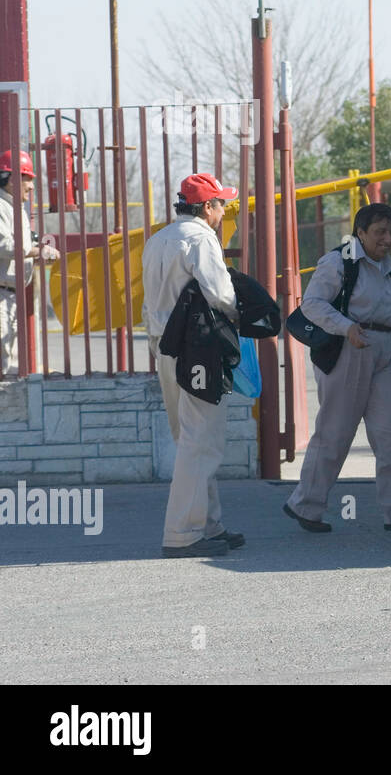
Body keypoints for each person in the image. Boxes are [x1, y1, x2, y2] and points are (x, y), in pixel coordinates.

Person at [283, 203, 391, 534]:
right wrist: (346, 327)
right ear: (360, 233)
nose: (387, 239)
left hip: (383, 352)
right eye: (379, 232)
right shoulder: (339, 261)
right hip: (348, 349)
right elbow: (313, 304)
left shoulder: (385, 265)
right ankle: (306, 505)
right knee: (335, 432)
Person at [141, 173, 242, 558]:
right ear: (205, 207)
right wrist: (239, 315)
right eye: (221, 204)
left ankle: (208, 524)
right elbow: (221, 294)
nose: (223, 211)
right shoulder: (201, 239)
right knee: (203, 442)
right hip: (196, 348)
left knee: (189, 438)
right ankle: (183, 532)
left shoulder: (158, 239)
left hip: (163, 347)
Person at [0, 150, 58, 375]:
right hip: (3, 293)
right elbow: (5, 245)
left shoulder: (15, 209)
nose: (32, 186)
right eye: (28, 179)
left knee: (6, 359)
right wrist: (37, 251)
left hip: (11, 294)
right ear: (12, 179)